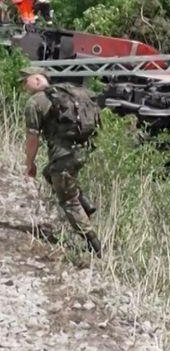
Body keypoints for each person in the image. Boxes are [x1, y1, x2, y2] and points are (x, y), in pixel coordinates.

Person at [23, 72, 102, 255]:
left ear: (36, 79)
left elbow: (32, 138)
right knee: (50, 173)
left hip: (64, 154)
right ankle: (85, 204)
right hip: (84, 149)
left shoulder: (35, 102)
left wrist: (29, 163)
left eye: (24, 82)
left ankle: (93, 244)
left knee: (67, 199)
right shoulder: (69, 92)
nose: (24, 88)